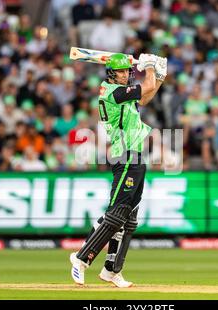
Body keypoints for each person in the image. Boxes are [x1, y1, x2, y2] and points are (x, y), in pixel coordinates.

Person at [69, 52, 166, 287]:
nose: (125, 75)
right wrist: (151, 67)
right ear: (112, 73)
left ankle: (112, 270)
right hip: (124, 156)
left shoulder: (122, 93)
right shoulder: (115, 93)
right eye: (121, 72)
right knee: (116, 214)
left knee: (128, 219)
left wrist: (159, 75)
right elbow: (147, 85)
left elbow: (144, 98)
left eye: (127, 71)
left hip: (135, 155)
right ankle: (81, 259)